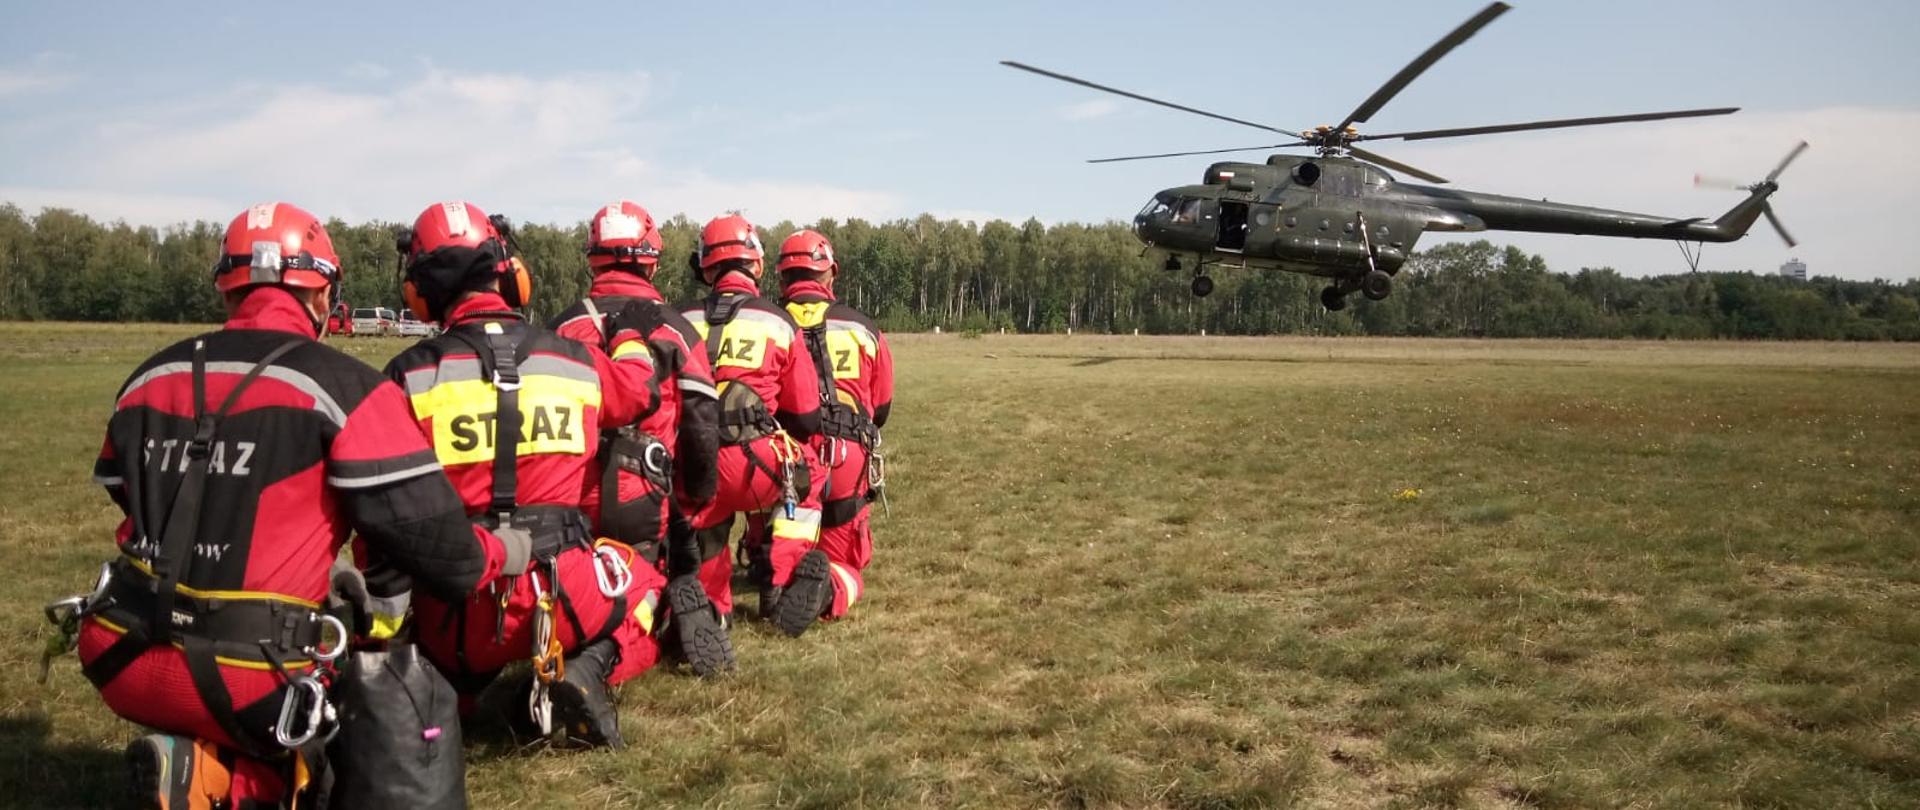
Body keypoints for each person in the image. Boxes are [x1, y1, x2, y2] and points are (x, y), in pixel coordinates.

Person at [73, 202, 528, 808]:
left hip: (119, 649)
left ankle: (189, 757)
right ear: (322, 295)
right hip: (254, 674)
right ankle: (218, 782)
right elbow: (448, 558)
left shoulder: (147, 379)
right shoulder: (344, 388)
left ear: (227, 286)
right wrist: (505, 549)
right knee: (352, 747)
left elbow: (126, 492)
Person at [384, 200, 674, 748]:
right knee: (651, 584)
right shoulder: (573, 361)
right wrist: (631, 335)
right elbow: (640, 392)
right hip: (566, 592)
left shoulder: (408, 378)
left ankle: (449, 696)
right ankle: (590, 669)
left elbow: (385, 516)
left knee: (446, 655)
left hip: (459, 615)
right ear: (510, 273)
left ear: (420, 293)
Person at [549, 200, 731, 674]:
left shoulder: (563, 327)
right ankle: (657, 611)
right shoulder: (674, 326)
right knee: (639, 591)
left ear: (592, 256)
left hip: (570, 494)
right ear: (651, 259)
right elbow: (700, 419)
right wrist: (695, 500)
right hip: (645, 493)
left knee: (574, 591)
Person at [679, 213, 833, 636]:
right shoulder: (777, 321)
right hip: (754, 463)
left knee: (703, 524)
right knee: (808, 477)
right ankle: (780, 579)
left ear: (706, 267)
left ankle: (712, 608)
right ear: (758, 265)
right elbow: (803, 416)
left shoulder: (679, 320)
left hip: (693, 466)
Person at [774, 229, 893, 621]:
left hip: (787, 460)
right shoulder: (864, 329)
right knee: (847, 564)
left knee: (779, 547)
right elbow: (881, 408)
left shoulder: (768, 324)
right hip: (847, 456)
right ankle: (831, 588)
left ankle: (776, 577)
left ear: (781, 277)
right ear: (832, 273)